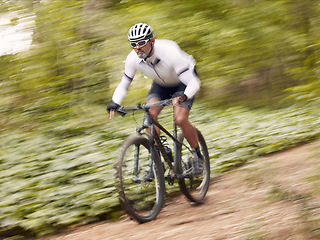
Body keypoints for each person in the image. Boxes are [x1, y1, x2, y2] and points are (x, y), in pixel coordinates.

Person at [107, 23, 203, 176]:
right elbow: (124, 84)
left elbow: (193, 83)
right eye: (133, 44)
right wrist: (115, 102)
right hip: (161, 84)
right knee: (150, 114)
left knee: (180, 118)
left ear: (152, 41)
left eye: (141, 43)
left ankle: (198, 156)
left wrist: (184, 96)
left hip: (184, 82)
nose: (137, 48)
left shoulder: (170, 51)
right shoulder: (132, 58)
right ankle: (159, 157)